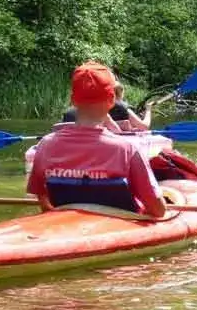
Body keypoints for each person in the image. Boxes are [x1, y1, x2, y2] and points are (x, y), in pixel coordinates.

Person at [26, 61, 167, 218]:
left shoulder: (45, 145)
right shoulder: (127, 149)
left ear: (72, 100)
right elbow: (158, 210)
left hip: (66, 223)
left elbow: (43, 200)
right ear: (112, 99)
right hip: (117, 225)